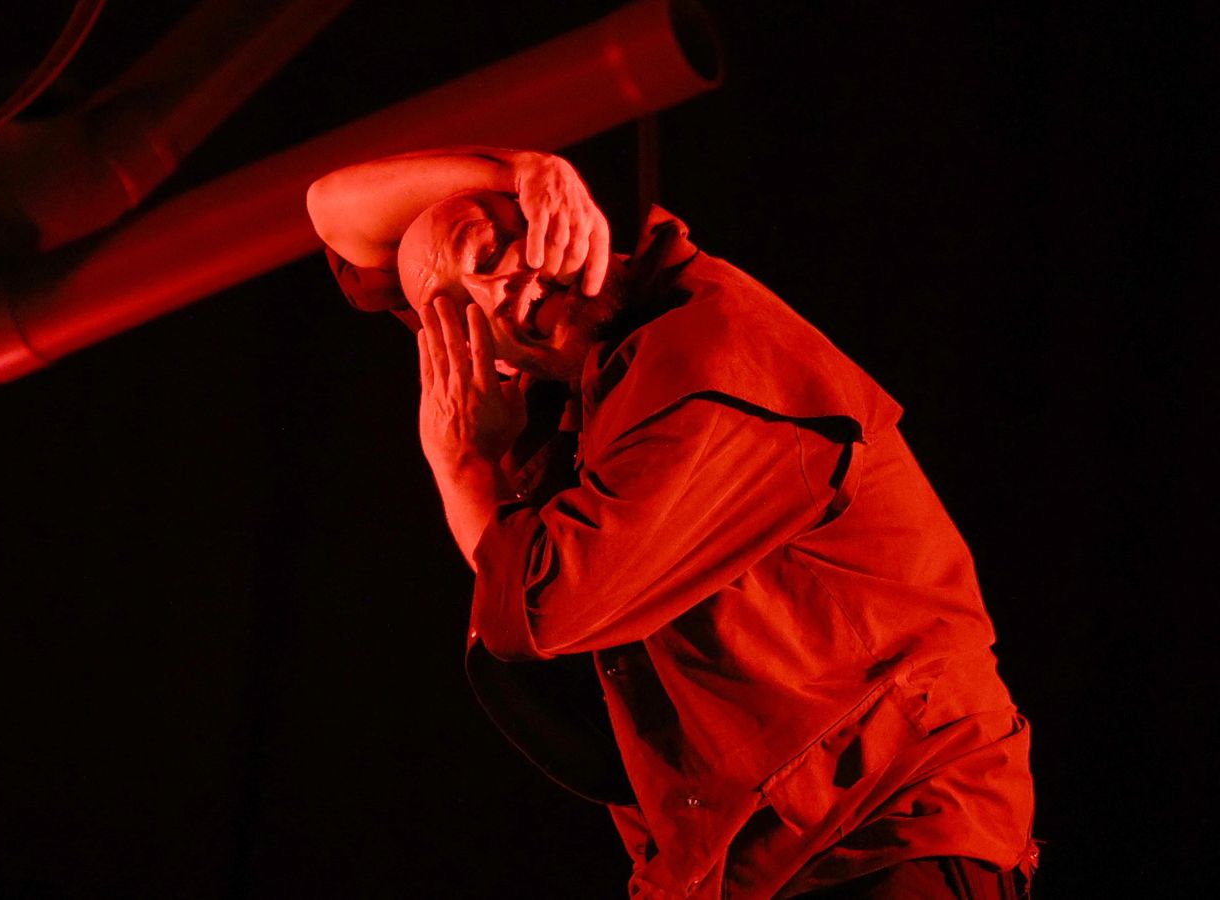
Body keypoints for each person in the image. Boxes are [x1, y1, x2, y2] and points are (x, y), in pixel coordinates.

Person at [306, 147, 1037, 899]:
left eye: (495, 246)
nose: (500, 291)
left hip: (887, 825)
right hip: (747, 863)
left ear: (565, 218)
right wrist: (507, 177)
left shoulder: (703, 344)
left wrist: (460, 465)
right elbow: (332, 215)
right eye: (463, 308)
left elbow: (547, 603)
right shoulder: (572, 394)